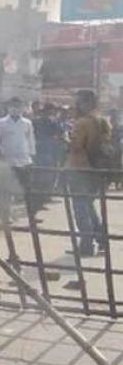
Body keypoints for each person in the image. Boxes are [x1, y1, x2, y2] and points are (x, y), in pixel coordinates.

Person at [67, 90, 110, 258]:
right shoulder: (103, 121)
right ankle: (101, 240)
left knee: (80, 207)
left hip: (81, 168)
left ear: (83, 104)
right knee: (89, 205)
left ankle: (86, 244)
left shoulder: (82, 123)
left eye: (77, 102)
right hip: (98, 169)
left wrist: (67, 140)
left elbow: (76, 146)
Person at [0, 97, 36, 221]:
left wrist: (32, 153)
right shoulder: (1, 122)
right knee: (6, 189)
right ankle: (5, 215)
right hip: (7, 160)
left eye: (17, 106)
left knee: (26, 189)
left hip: (24, 160)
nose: (15, 109)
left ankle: (30, 215)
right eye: (12, 106)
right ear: (8, 107)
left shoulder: (27, 123)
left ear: (22, 108)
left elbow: (31, 139)